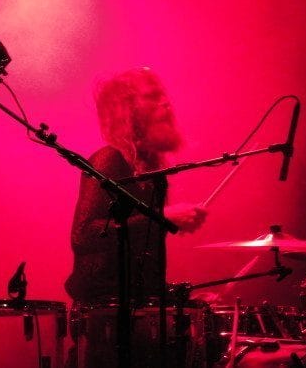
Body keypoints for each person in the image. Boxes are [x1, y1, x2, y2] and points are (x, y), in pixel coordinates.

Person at [64, 67, 207, 368]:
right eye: (153, 97)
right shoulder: (109, 159)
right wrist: (160, 217)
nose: (166, 103)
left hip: (136, 313)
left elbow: (139, 260)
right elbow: (83, 234)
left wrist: (178, 299)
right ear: (128, 110)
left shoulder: (153, 174)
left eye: (163, 95)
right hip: (105, 317)